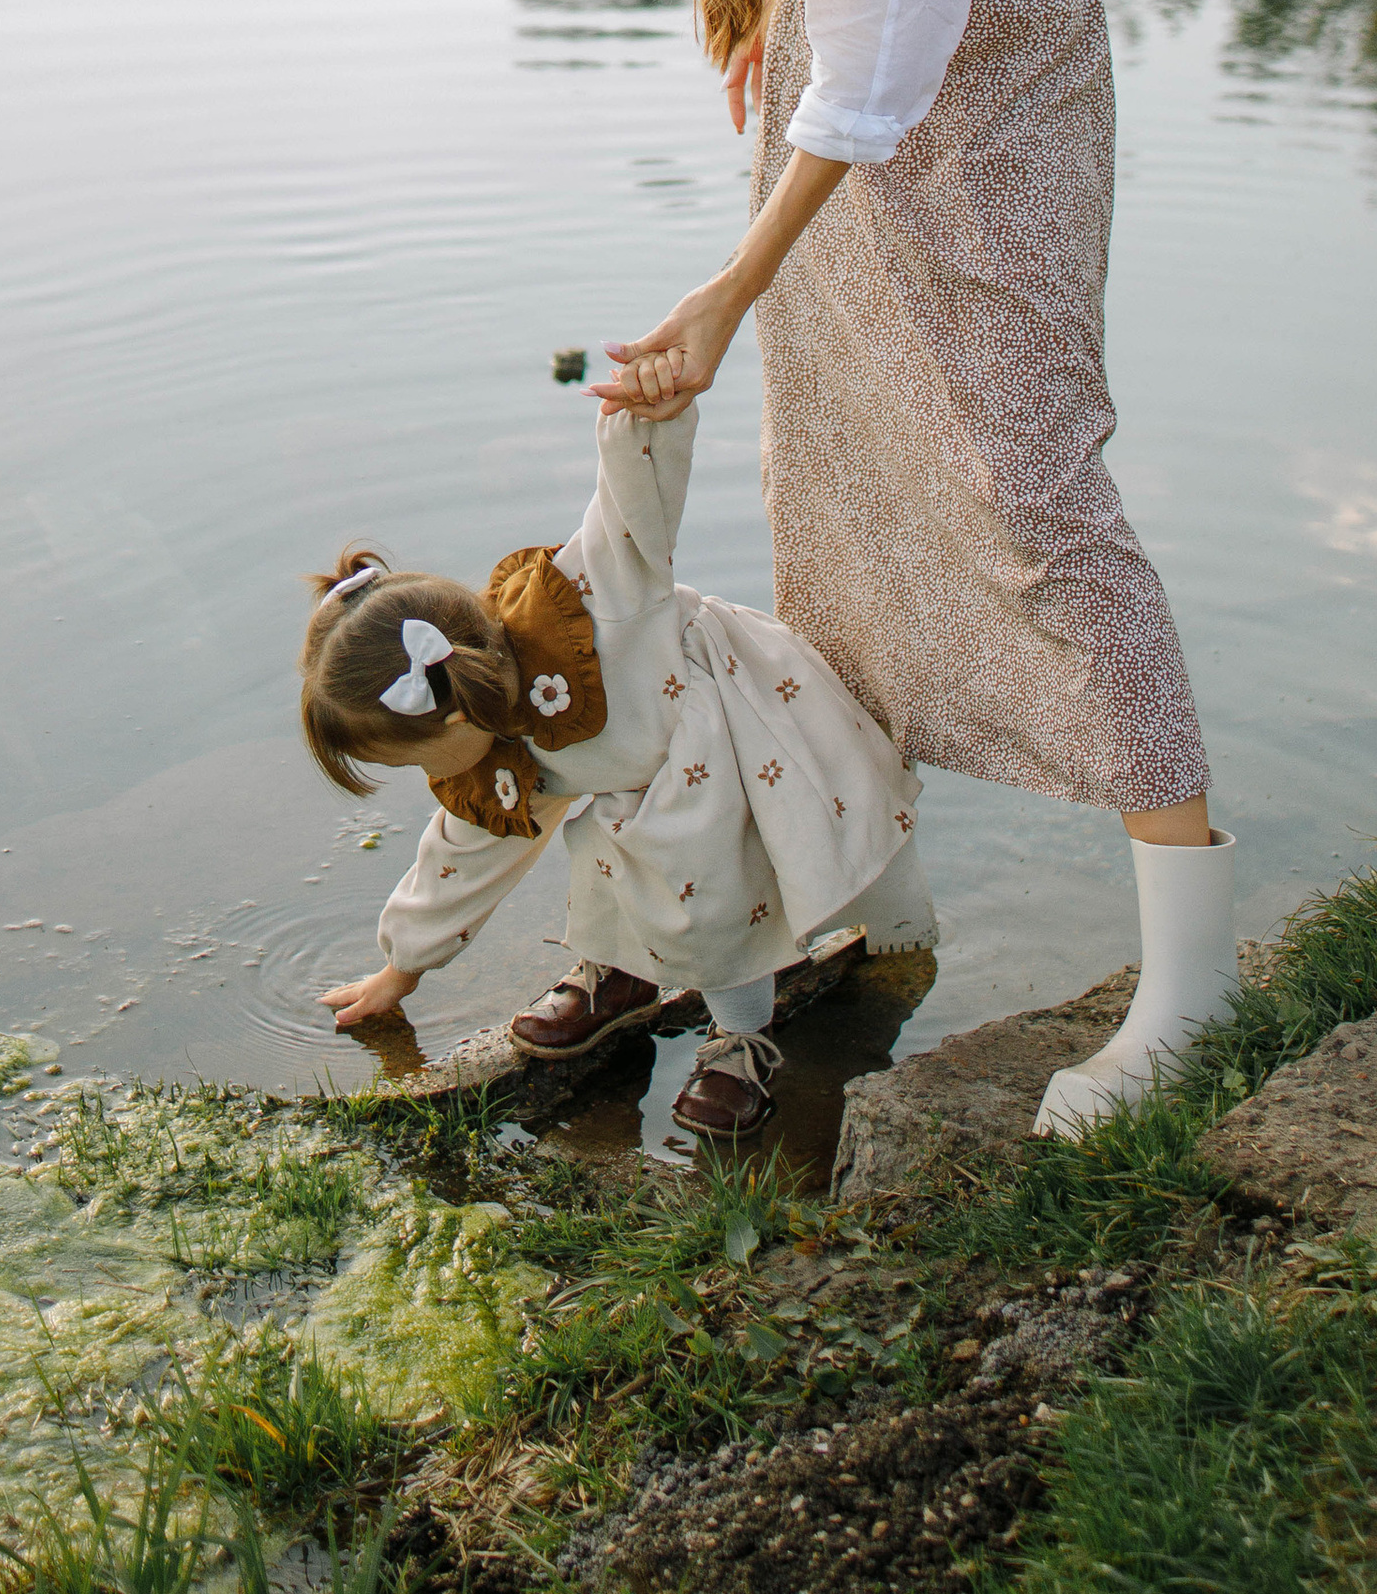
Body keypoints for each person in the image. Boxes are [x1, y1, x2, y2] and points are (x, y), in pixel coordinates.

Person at [530, 0, 1234, 1137]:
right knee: (836, 470)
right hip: (844, 72)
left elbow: (911, 28)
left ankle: (1194, 993)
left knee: (1031, 490)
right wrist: (763, 5)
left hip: (965, 91)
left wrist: (739, 271)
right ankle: (831, 906)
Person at [309, 394, 934, 1141]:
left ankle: (740, 1040)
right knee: (606, 842)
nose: (426, 779)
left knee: (705, 882)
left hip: (736, 729)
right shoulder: (489, 740)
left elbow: (630, 509)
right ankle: (623, 973)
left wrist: (644, 415)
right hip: (644, 778)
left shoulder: (590, 608)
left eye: (410, 760)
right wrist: (400, 970)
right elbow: (466, 852)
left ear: (448, 718)